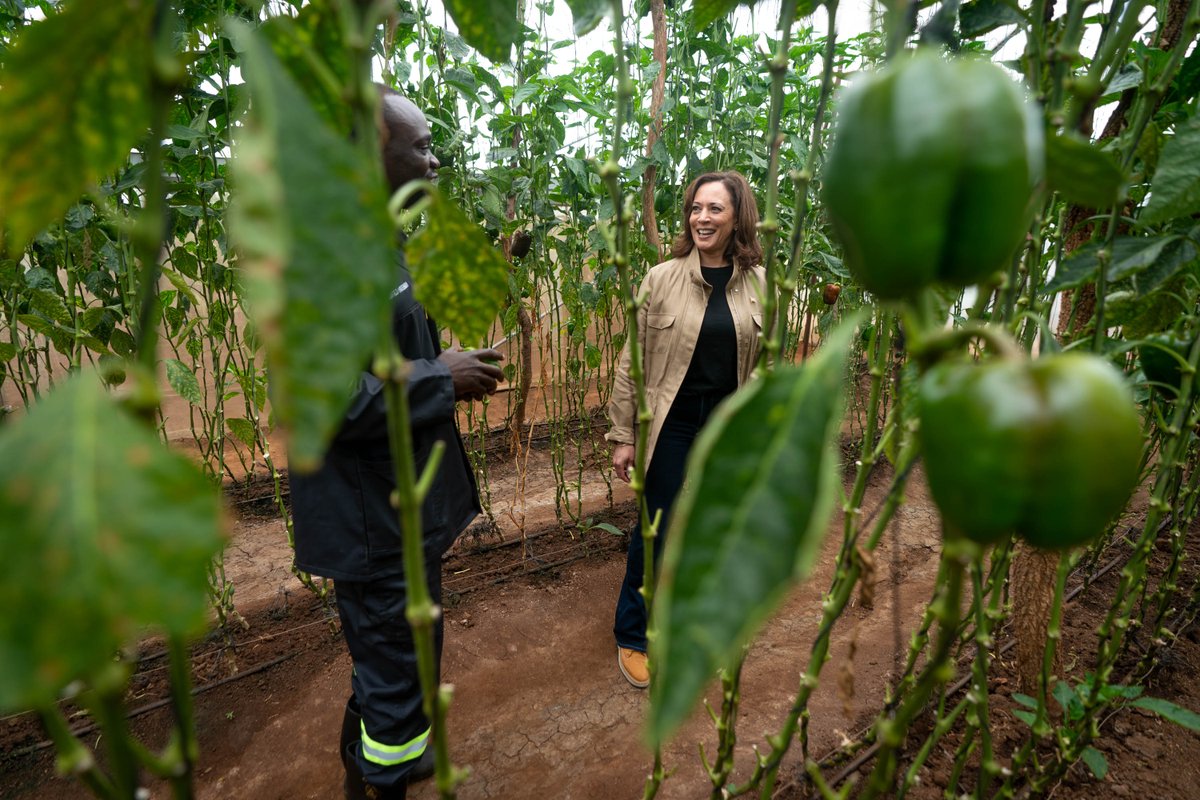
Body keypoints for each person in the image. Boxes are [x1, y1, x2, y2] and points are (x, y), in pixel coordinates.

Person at [289, 86, 504, 800]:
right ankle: (381, 773)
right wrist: (439, 376)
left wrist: (441, 365)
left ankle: (383, 755)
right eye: (418, 146)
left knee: (403, 661)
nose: (433, 157)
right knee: (394, 674)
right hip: (371, 524)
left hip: (400, 518)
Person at [606, 171, 766, 688]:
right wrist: (624, 435)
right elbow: (632, 361)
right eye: (696, 208)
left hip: (729, 421)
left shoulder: (761, 284)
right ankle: (635, 634)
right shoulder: (661, 277)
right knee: (656, 525)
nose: (702, 217)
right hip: (671, 419)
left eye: (714, 209)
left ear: (737, 218)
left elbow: (770, 361)